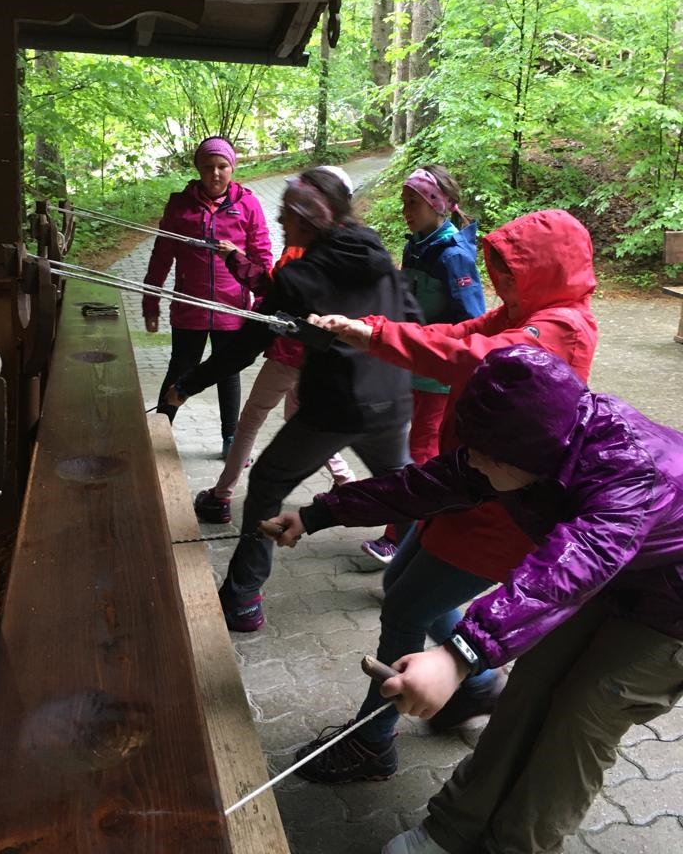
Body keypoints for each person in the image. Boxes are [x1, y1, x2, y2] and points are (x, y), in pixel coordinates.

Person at [267, 345, 683, 854]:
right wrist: (318, 514)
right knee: (531, 684)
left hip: (672, 604)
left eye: (486, 455)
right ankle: (452, 828)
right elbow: (426, 485)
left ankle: (515, 846)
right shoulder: (517, 444)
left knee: (584, 712)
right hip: (620, 576)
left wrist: (459, 654)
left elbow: (573, 565)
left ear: (528, 452)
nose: (474, 460)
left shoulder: (628, 472)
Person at [284, 208, 598, 781]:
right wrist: (368, 329)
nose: (501, 283)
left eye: (512, 273)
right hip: (465, 486)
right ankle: (476, 685)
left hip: (501, 507)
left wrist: (374, 336)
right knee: (401, 588)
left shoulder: (562, 326)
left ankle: (372, 741)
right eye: (499, 271)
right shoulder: (523, 312)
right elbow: (457, 333)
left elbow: (475, 357)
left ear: (548, 271)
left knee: (406, 607)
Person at [165, 168, 420, 631]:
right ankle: (421, 583)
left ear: (309, 218)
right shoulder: (376, 252)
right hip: (391, 396)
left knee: (266, 482)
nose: (280, 221)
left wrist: (186, 385)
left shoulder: (301, 276)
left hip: (335, 406)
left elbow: (244, 347)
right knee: (404, 491)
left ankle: (243, 599)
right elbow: (412, 317)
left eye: (287, 214)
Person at [194, 167, 356, 525]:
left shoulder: (304, 250)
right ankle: (347, 485)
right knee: (301, 419)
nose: (285, 216)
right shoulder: (347, 248)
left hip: (291, 354)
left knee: (251, 419)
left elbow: (271, 289)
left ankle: (221, 496)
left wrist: (235, 258)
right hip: (317, 358)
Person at [362, 165, 485, 566]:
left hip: (438, 376)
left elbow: (474, 322)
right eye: (403, 202)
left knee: (419, 451)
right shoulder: (416, 246)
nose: (405, 211)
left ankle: (401, 540)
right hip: (411, 365)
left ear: (437, 204)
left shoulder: (453, 256)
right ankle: (420, 530)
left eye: (412, 202)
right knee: (404, 446)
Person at [142, 135, 272, 458]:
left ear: (232, 167)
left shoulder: (248, 205)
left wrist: (262, 300)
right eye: (208, 166)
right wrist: (150, 301)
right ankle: (157, 435)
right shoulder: (179, 206)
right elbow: (161, 256)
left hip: (232, 307)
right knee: (180, 369)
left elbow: (262, 256)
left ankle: (230, 439)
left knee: (228, 371)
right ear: (198, 169)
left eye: (222, 166)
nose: (215, 173)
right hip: (190, 307)